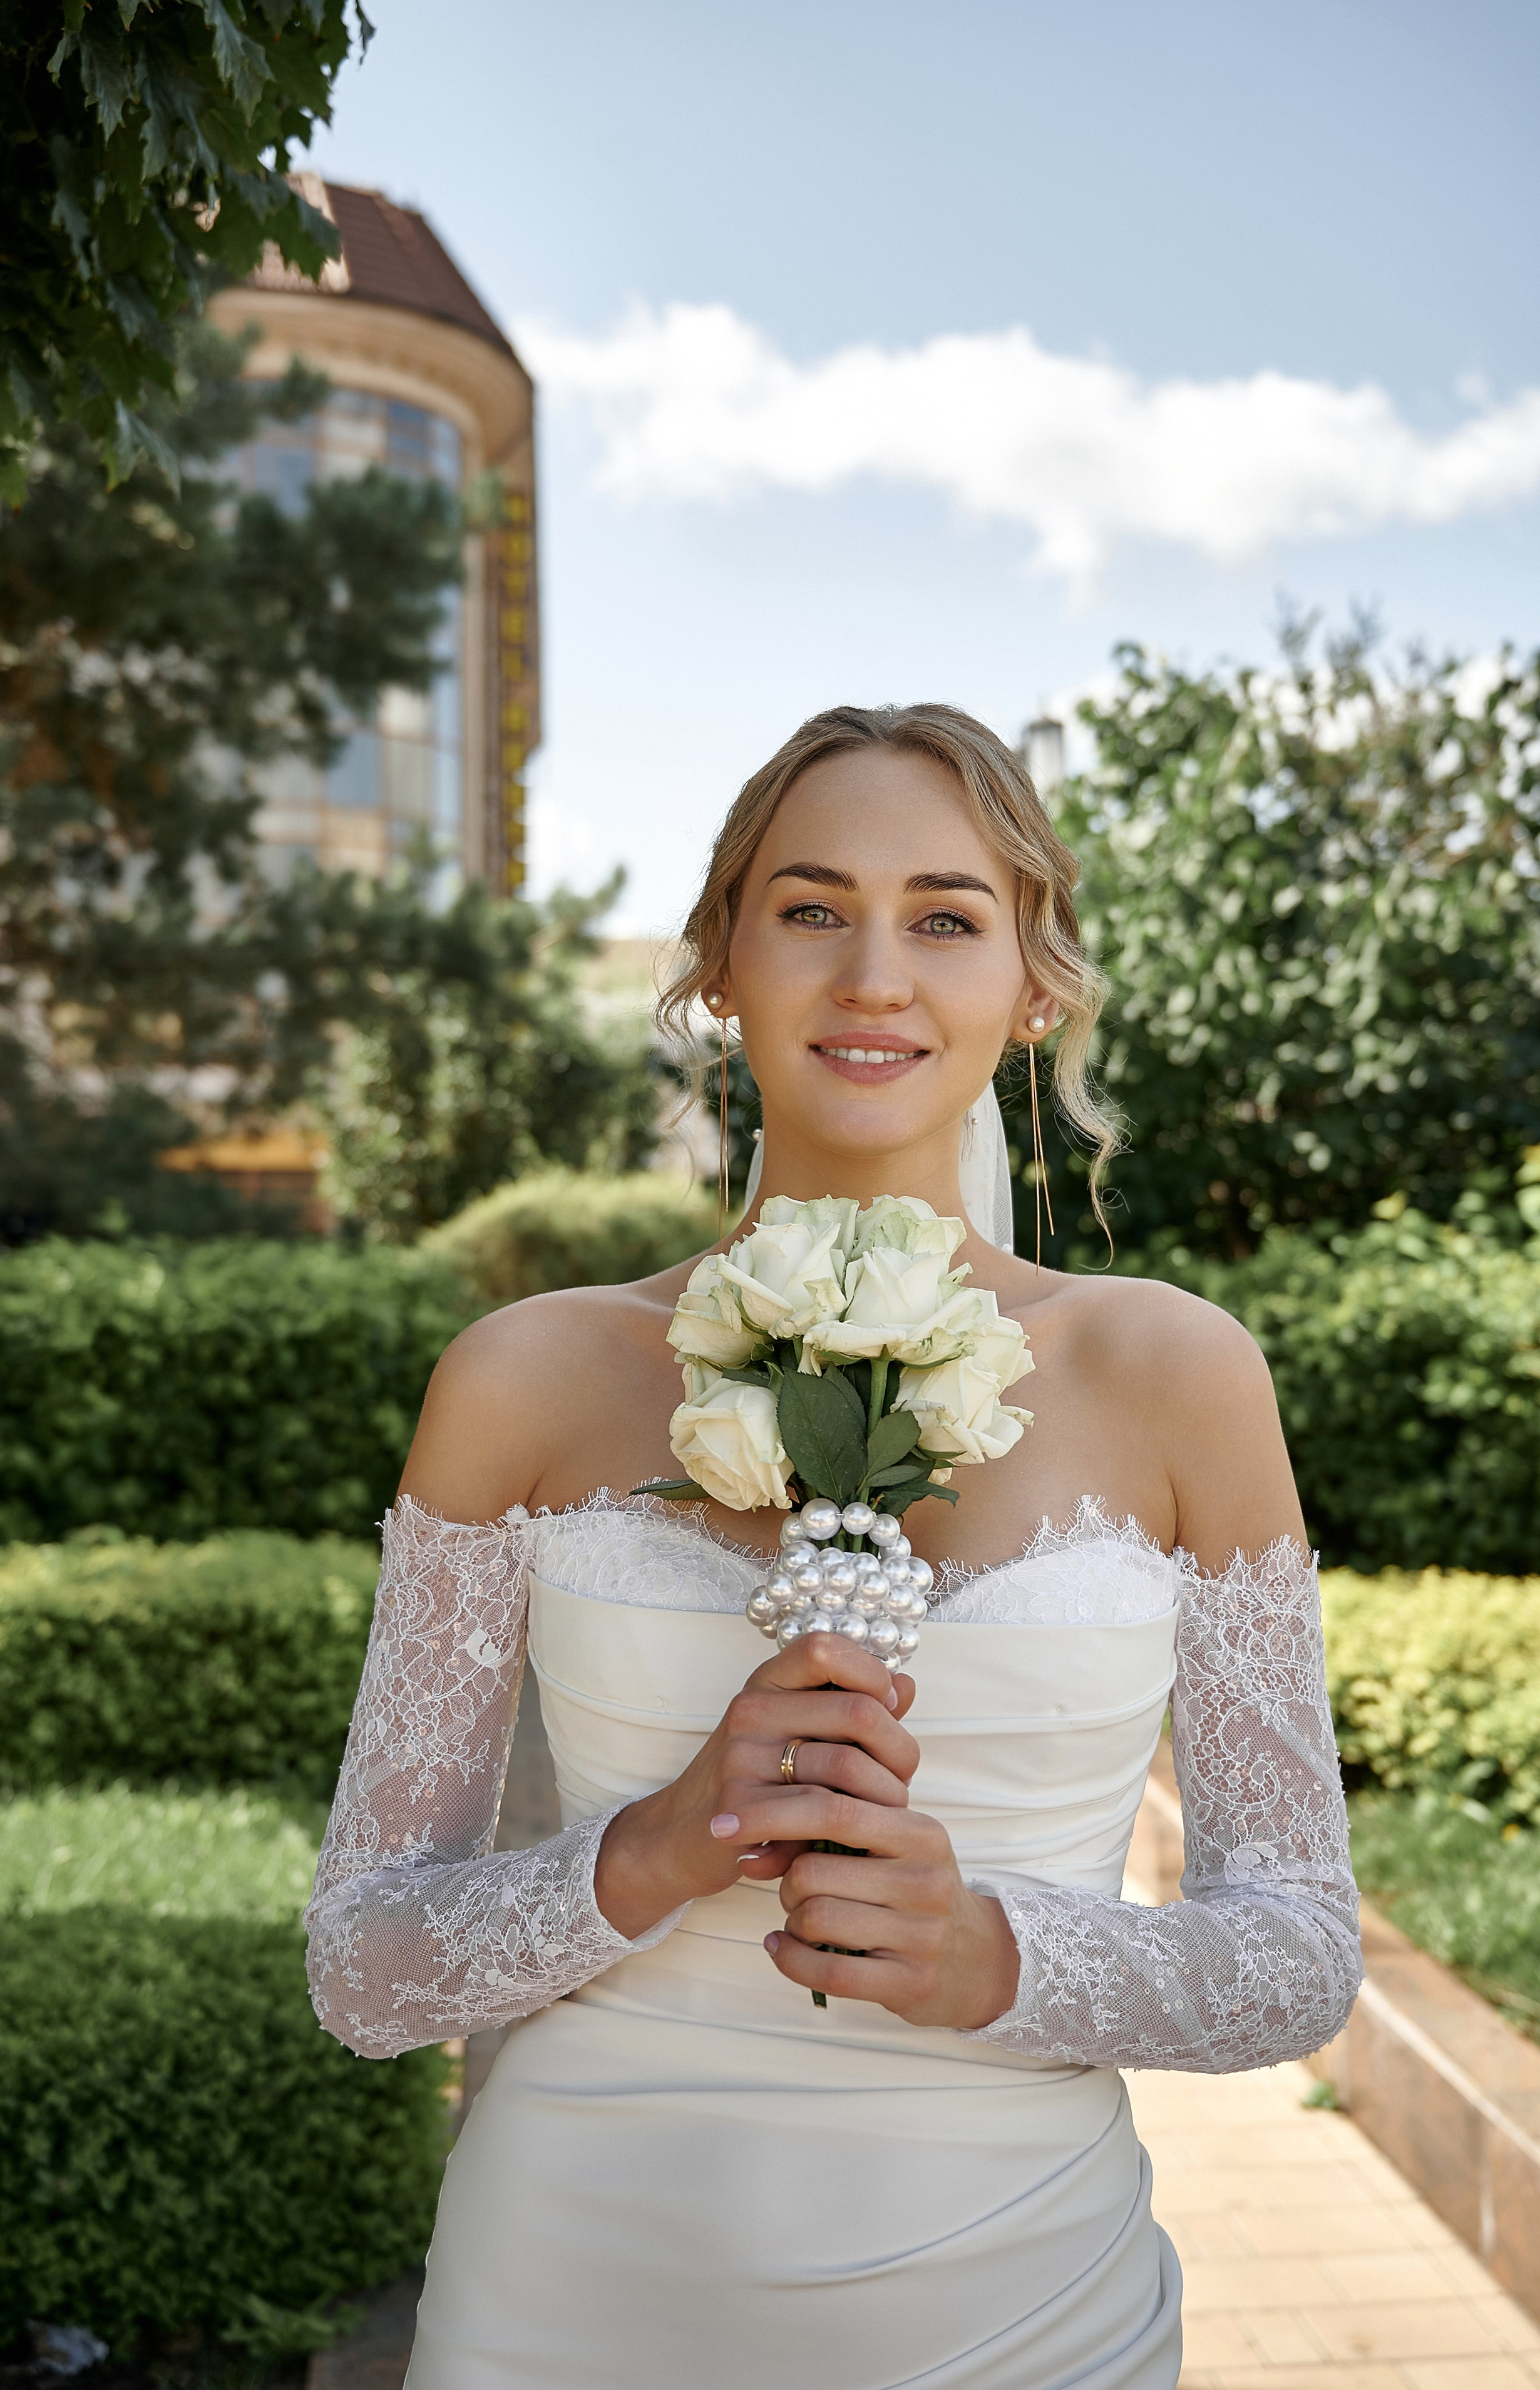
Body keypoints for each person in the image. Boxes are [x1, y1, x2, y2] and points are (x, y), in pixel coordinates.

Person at [305, 703, 1362, 2389]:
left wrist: (993, 1956)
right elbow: (365, 1963)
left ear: (1034, 986)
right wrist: (645, 1852)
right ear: (723, 958)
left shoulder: (1180, 1376)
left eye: (946, 916)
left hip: (1027, 2315)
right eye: (811, 907)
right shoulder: (521, 1377)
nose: (876, 973)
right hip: (568, 2299)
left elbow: (1299, 1950)